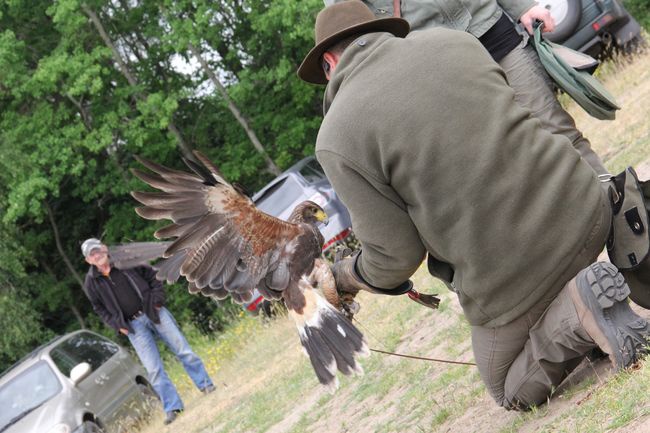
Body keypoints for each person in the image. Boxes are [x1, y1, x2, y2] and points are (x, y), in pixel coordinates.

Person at [297, 1, 649, 410]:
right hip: (587, 211)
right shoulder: (456, 42)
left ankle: (579, 312)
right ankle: (626, 259)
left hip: (511, 274)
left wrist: (343, 276)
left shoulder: (336, 136)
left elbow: (395, 257)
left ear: (329, 62)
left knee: (506, 386)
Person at [323, 0, 609, 176]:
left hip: (490, 29)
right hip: (436, 58)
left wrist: (521, 5)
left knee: (558, 131)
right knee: (499, 163)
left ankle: (622, 221)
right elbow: (350, 23)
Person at [81, 238, 215, 425]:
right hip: (133, 327)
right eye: (91, 254)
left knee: (183, 350)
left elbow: (154, 276)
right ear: (88, 260)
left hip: (154, 312)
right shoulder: (91, 283)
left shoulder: (124, 259)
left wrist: (157, 301)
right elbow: (99, 308)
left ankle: (206, 385)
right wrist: (117, 325)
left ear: (104, 248)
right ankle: (173, 408)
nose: (96, 255)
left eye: (97, 250)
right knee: (153, 369)